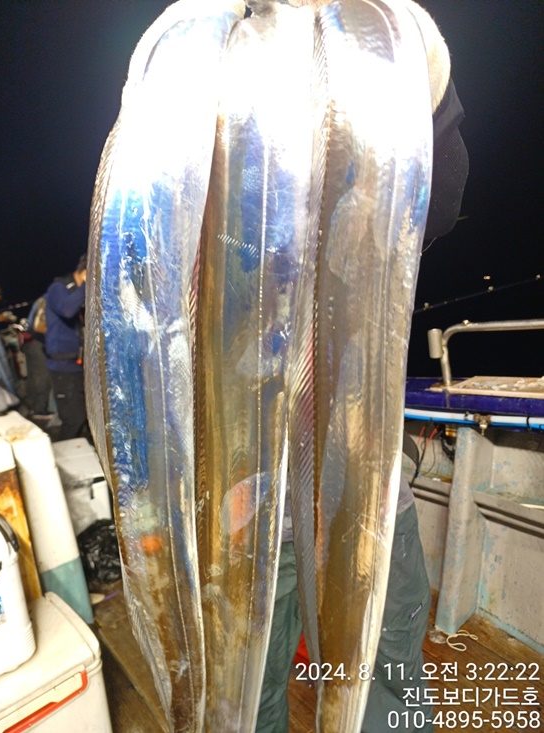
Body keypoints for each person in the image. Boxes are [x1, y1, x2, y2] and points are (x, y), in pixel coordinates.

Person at [255, 2, 469, 732]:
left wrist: (419, 70)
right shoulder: (206, 63)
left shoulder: (378, 36)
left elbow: (440, 198)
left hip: (325, 486)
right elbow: (444, 200)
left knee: (310, 684)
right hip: (264, 498)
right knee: (279, 688)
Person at [44, 254, 90, 441]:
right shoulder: (58, 288)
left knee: (87, 417)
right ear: (84, 271)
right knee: (73, 419)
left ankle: (84, 453)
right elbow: (67, 309)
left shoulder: (81, 293)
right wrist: (88, 284)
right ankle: (62, 452)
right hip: (63, 367)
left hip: (80, 365)